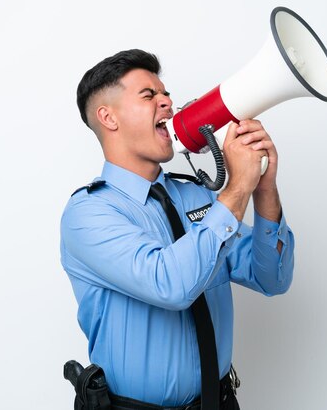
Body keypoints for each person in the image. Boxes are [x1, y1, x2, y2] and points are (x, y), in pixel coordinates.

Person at [60, 49, 295, 410]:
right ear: (108, 117)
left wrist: (263, 188)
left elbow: (271, 278)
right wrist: (235, 191)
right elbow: (170, 284)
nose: (167, 102)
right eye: (149, 95)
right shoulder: (89, 214)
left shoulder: (197, 196)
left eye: (166, 93)